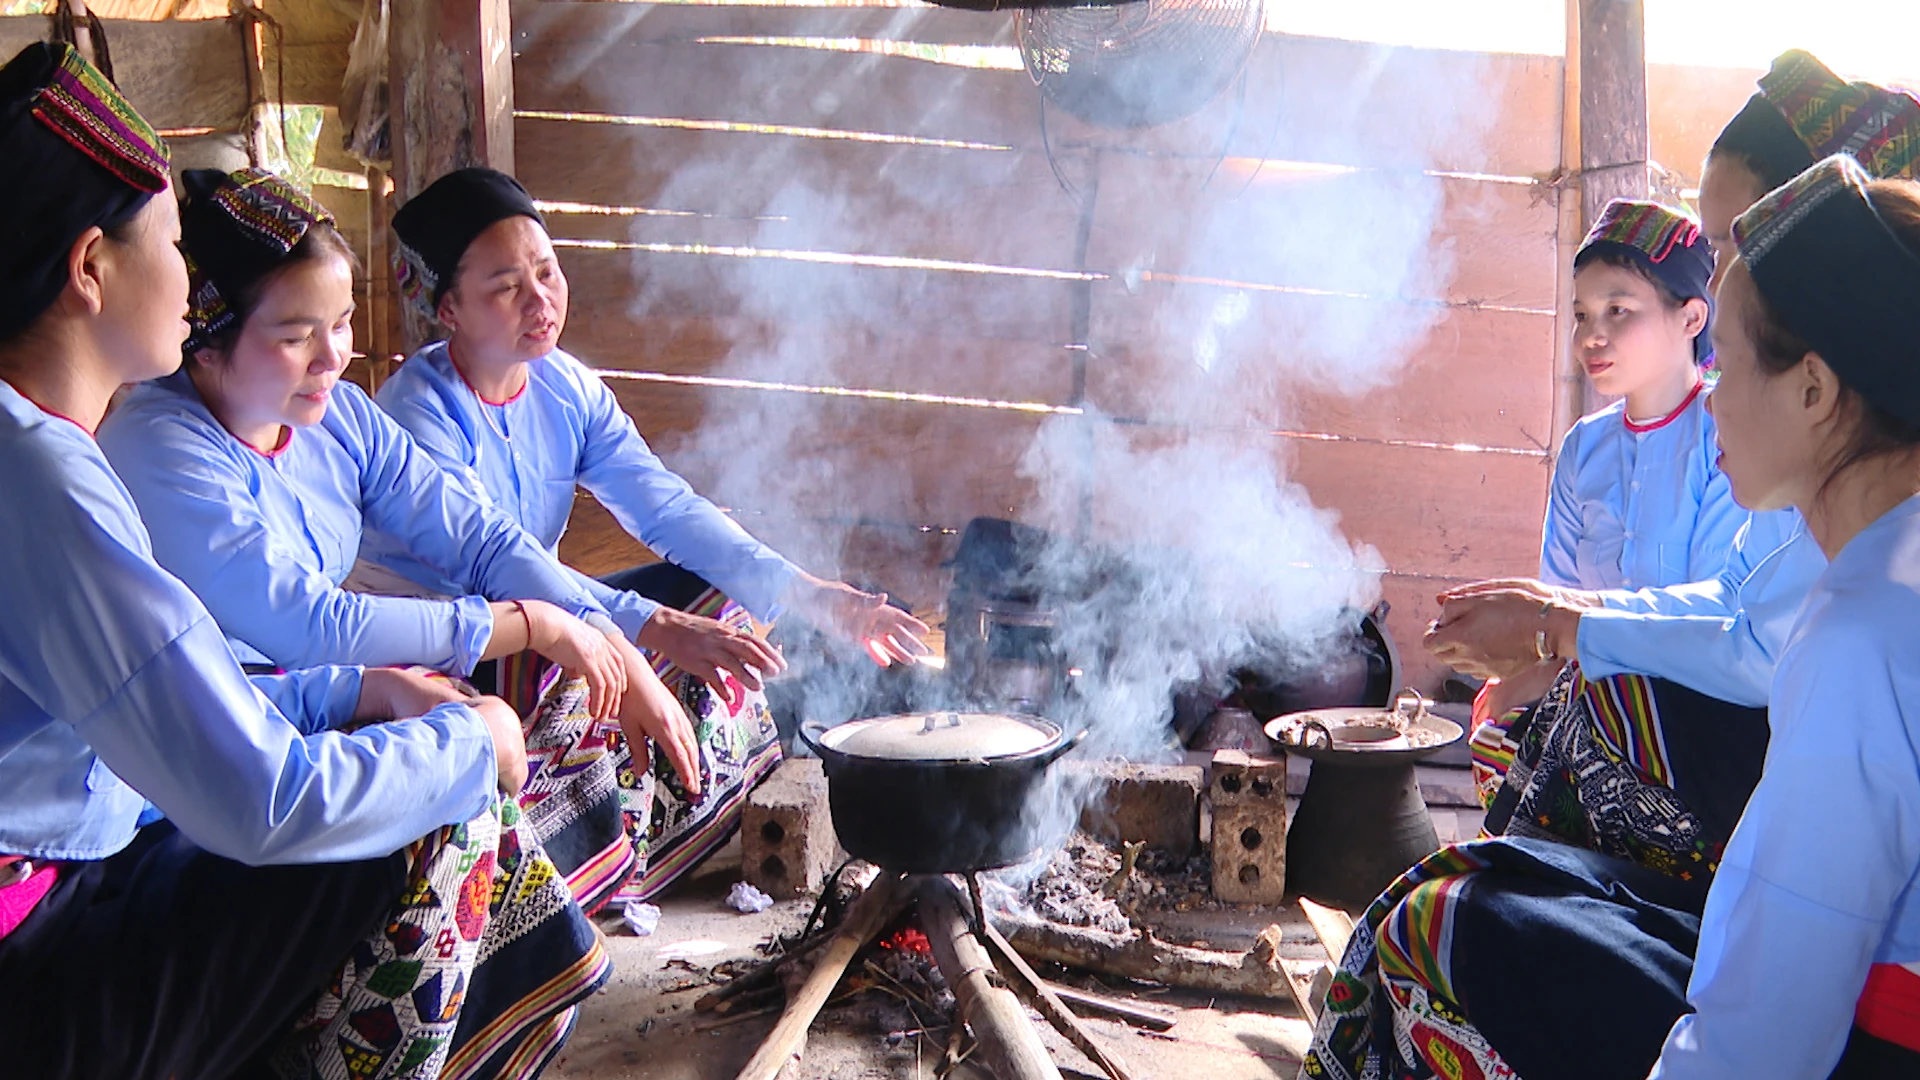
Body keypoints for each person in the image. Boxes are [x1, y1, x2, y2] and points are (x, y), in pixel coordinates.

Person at [0, 42, 604, 1079]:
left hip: (74, 868)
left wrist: (353, 694)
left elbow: (166, 716)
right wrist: (470, 740)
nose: (191, 285)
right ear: (91, 269)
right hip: (35, 956)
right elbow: (258, 799)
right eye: (176, 248)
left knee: (404, 755)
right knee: (436, 818)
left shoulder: (40, 447)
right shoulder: (50, 479)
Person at [1308, 154, 1920, 1080]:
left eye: (1734, 359)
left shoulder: (1863, 636)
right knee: (1508, 873)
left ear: (1814, 388)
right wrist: (1559, 620)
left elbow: (1764, 1041)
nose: (1714, 392)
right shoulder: (1877, 565)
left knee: (1440, 925)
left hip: (1864, 1050)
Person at [94, 166, 698, 912]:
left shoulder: (339, 417)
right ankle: (511, 905)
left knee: (573, 680)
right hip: (207, 755)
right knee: (470, 750)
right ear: (208, 345)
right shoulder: (159, 448)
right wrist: (531, 623)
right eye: (295, 336)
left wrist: (615, 644)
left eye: (342, 323)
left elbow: (480, 540)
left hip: (314, 694)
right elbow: (311, 625)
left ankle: (550, 879)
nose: (333, 357)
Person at [368, 167, 932, 898]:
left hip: (544, 610)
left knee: (714, 598)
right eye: (507, 287)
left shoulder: (563, 387)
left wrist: (816, 595)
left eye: (547, 271)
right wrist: (645, 632)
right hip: (458, 647)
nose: (541, 300)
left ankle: (671, 813)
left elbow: (665, 508)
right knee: (571, 660)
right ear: (447, 308)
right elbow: (503, 572)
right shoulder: (418, 418)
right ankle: (563, 863)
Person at [1437, 50, 1920, 822]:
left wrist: (1557, 630)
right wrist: (1558, 613)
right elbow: (1735, 598)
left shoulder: (1865, 494)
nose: (1716, 274)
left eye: (1732, 244)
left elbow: (1757, 650)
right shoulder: (1793, 448)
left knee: (1600, 718)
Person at [1468, 199, 1732, 798]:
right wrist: (1515, 674)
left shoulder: (1726, 437)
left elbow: (1712, 621)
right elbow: (1552, 605)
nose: (1593, 335)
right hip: (1586, 693)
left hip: (1689, 711)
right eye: (1583, 314)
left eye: (1619, 310)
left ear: (1692, 318)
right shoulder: (1583, 448)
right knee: (1495, 728)